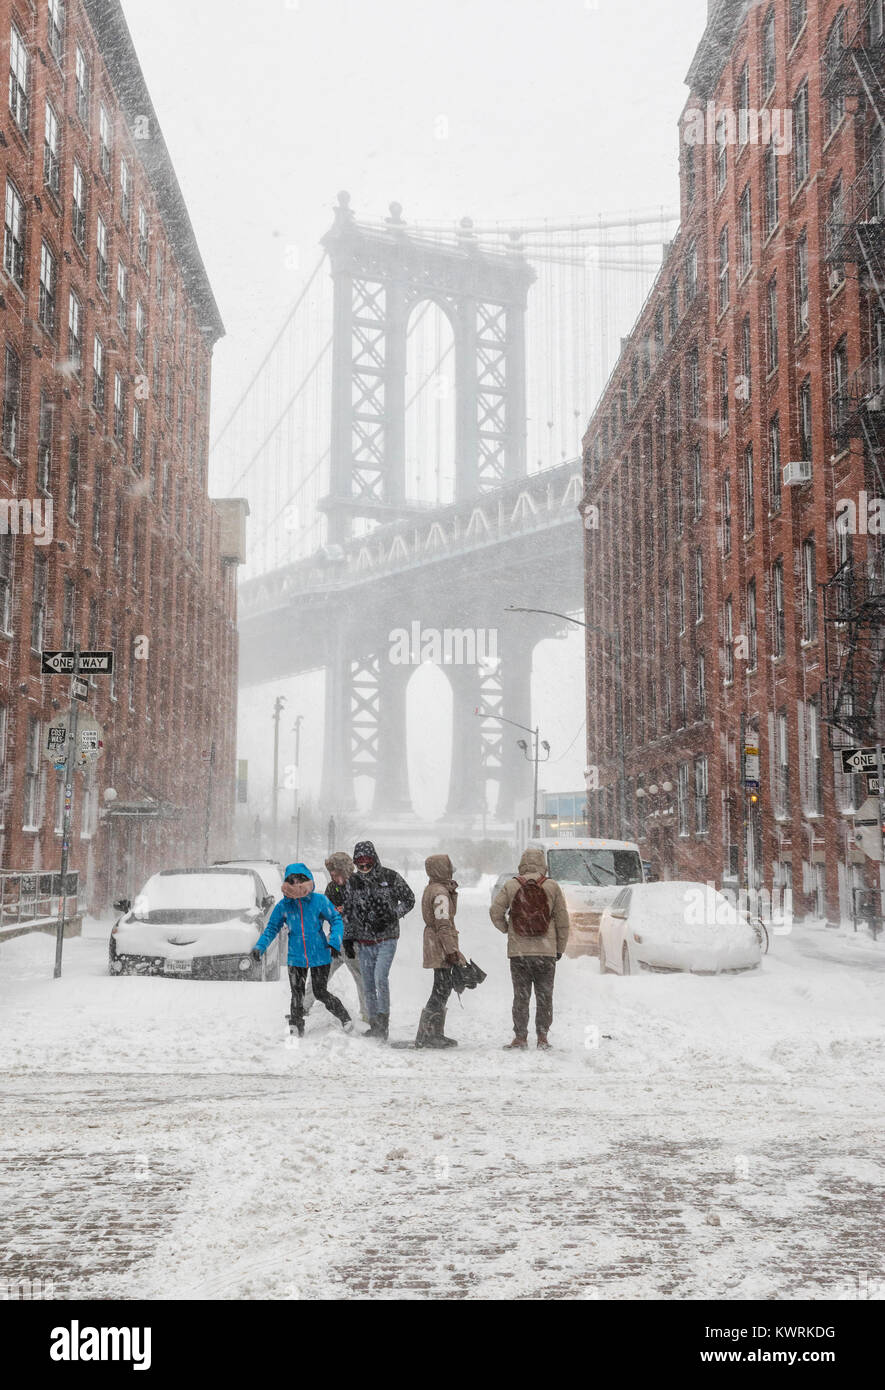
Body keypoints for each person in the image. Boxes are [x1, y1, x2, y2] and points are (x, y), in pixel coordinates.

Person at [252, 862, 351, 1037]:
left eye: (300, 880)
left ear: (308, 881)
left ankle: (345, 1018)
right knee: (296, 994)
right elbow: (272, 928)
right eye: (292, 881)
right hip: (296, 956)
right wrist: (260, 947)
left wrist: (334, 941)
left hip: (320, 953)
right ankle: (296, 1027)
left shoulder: (319, 901)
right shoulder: (284, 906)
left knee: (320, 992)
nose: (296, 885)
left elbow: (336, 919)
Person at [489, 846, 570, 1050]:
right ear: (543, 864)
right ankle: (542, 1037)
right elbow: (562, 921)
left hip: (519, 953)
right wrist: (559, 948)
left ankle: (520, 1037)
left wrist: (507, 929)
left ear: (522, 864)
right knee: (545, 996)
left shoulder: (511, 885)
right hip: (546, 952)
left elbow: (495, 912)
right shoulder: (552, 886)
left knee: (521, 996)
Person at [343, 840, 415, 1042]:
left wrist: (393, 915)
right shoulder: (353, 882)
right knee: (367, 983)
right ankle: (374, 1023)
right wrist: (348, 937)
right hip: (364, 941)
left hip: (387, 938)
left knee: (380, 978)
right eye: (359, 864)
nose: (364, 868)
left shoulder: (390, 877)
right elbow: (348, 911)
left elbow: (409, 899)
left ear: (374, 860)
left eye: (367, 863)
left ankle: (384, 1022)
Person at [416, 853, 466, 1049]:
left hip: (434, 940)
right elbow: (443, 924)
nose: (451, 869)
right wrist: (452, 951)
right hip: (440, 943)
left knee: (441, 987)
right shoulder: (440, 894)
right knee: (441, 989)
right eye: (448, 866)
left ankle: (434, 1033)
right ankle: (429, 1034)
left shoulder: (433, 888)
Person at [320, 851, 369, 1023]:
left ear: (346, 870)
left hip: (354, 942)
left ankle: (367, 1014)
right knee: (321, 975)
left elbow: (366, 911)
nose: (333, 876)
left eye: (336, 873)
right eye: (331, 873)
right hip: (335, 941)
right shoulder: (331, 888)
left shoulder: (359, 884)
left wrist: (348, 911)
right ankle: (302, 1007)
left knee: (361, 977)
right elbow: (324, 912)